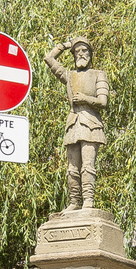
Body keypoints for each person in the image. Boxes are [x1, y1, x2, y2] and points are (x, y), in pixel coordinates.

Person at [42, 36, 109, 212]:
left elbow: (103, 101)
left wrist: (86, 99)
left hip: (91, 123)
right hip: (73, 123)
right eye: (77, 51)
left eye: (84, 50)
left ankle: (88, 200)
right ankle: (75, 201)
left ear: (90, 54)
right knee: (72, 168)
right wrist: (65, 45)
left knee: (88, 165)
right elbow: (49, 59)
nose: (81, 54)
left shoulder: (98, 74)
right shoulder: (69, 76)